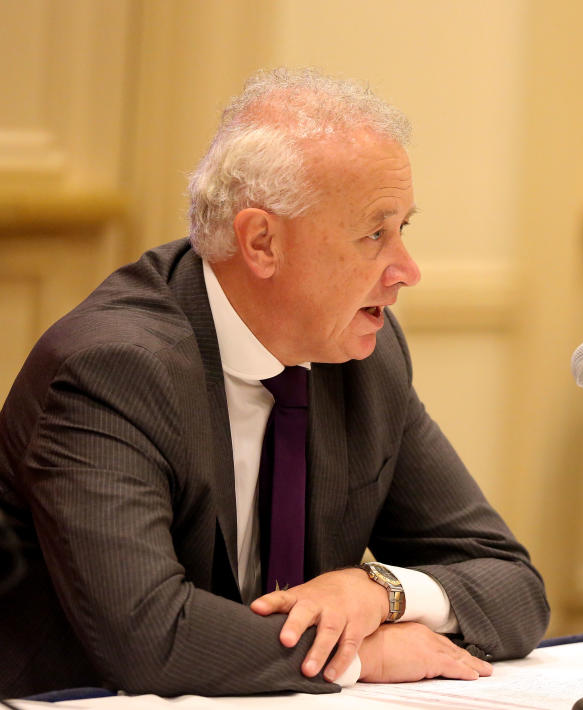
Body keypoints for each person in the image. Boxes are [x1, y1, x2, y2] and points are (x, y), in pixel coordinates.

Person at [0, 68, 549, 698]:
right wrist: (360, 657)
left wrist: (379, 590)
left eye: (405, 229)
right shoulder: (112, 368)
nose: (408, 271)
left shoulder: (365, 354)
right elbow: (150, 637)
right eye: (375, 234)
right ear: (262, 242)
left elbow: (513, 584)